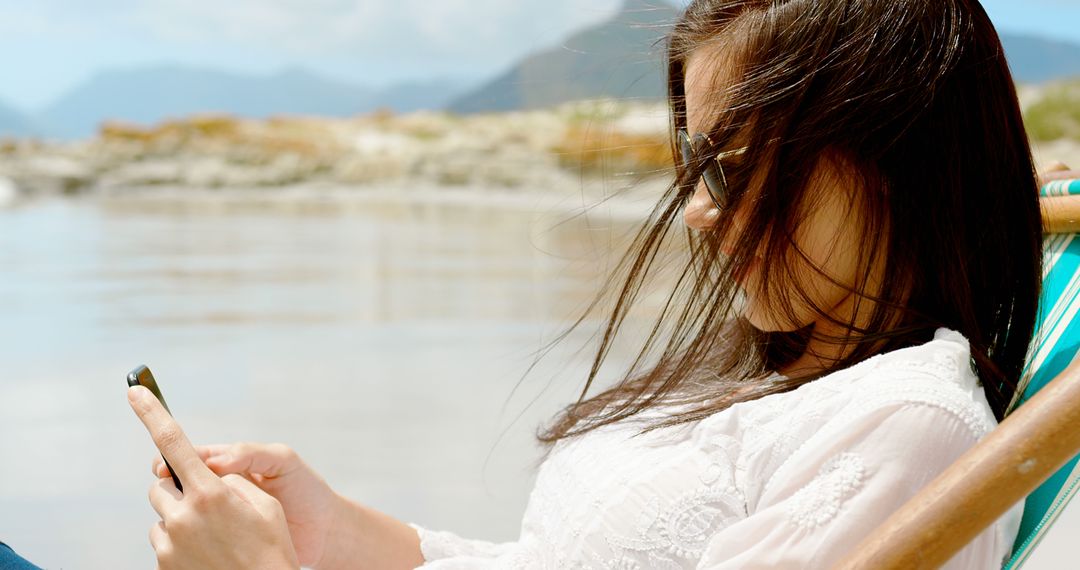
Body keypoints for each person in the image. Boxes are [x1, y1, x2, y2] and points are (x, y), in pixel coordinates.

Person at [126, 0, 1064, 568]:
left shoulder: (903, 425)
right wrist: (327, 532)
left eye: (729, 166)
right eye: (694, 167)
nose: (698, 209)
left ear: (891, 160)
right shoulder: (800, 374)